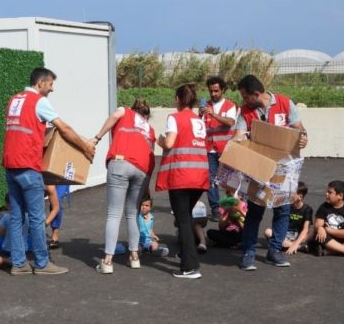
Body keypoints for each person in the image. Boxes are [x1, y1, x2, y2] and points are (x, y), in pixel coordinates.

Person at [2, 67, 95, 276]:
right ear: (41, 83)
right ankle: (42, 263)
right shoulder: (39, 102)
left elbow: (25, 128)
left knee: (16, 217)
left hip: (10, 165)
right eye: (51, 85)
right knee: (36, 217)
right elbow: (64, 128)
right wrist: (85, 146)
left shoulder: (14, 100)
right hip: (28, 166)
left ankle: (19, 264)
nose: (51, 89)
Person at [232, 74, 308, 271]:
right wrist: (237, 143)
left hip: (284, 167)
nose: (244, 101)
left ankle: (274, 251)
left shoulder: (284, 103)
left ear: (256, 94)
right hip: (258, 167)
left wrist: (304, 138)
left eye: (246, 97)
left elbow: (300, 129)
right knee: (254, 210)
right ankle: (248, 252)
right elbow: (238, 135)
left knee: (282, 209)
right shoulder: (246, 112)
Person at [91, 99, 156, 274]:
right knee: (133, 213)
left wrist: (97, 138)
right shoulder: (150, 130)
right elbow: (151, 157)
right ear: (147, 115)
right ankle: (134, 257)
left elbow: (114, 116)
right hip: (142, 171)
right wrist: (147, 184)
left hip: (121, 162)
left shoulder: (125, 111)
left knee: (114, 213)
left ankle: (108, 261)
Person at [156, 84, 209, 279]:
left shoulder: (174, 118)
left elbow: (170, 143)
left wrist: (159, 140)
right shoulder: (199, 120)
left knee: (183, 220)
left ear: (178, 99)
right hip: (199, 176)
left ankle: (189, 266)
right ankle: (187, 254)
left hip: (181, 175)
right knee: (185, 217)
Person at [198, 76, 236, 222]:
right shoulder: (205, 105)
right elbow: (199, 125)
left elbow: (230, 122)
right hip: (209, 149)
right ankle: (215, 209)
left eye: (216, 91)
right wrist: (200, 116)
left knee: (229, 180)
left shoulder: (230, 105)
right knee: (210, 179)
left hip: (225, 148)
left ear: (223, 90)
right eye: (210, 91)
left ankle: (230, 208)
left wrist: (213, 114)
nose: (213, 94)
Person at [265, 181, 313, 254]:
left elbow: (305, 229)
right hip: (285, 234)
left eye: (292, 193)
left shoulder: (307, 209)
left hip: (298, 236)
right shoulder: (286, 206)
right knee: (268, 232)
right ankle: (300, 247)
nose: (289, 195)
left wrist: (296, 243)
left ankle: (285, 245)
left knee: (311, 233)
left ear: (300, 197)